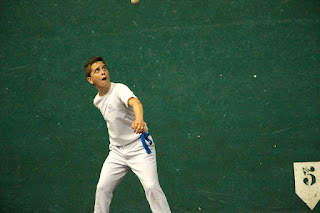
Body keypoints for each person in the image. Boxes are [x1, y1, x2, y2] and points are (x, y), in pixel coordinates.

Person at [84, 56, 171, 213]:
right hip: (117, 152)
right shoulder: (97, 101)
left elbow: (135, 103)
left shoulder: (120, 89)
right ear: (91, 80)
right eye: (97, 70)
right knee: (102, 188)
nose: (103, 72)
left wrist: (139, 119)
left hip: (139, 147)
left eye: (104, 68)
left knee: (151, 187)